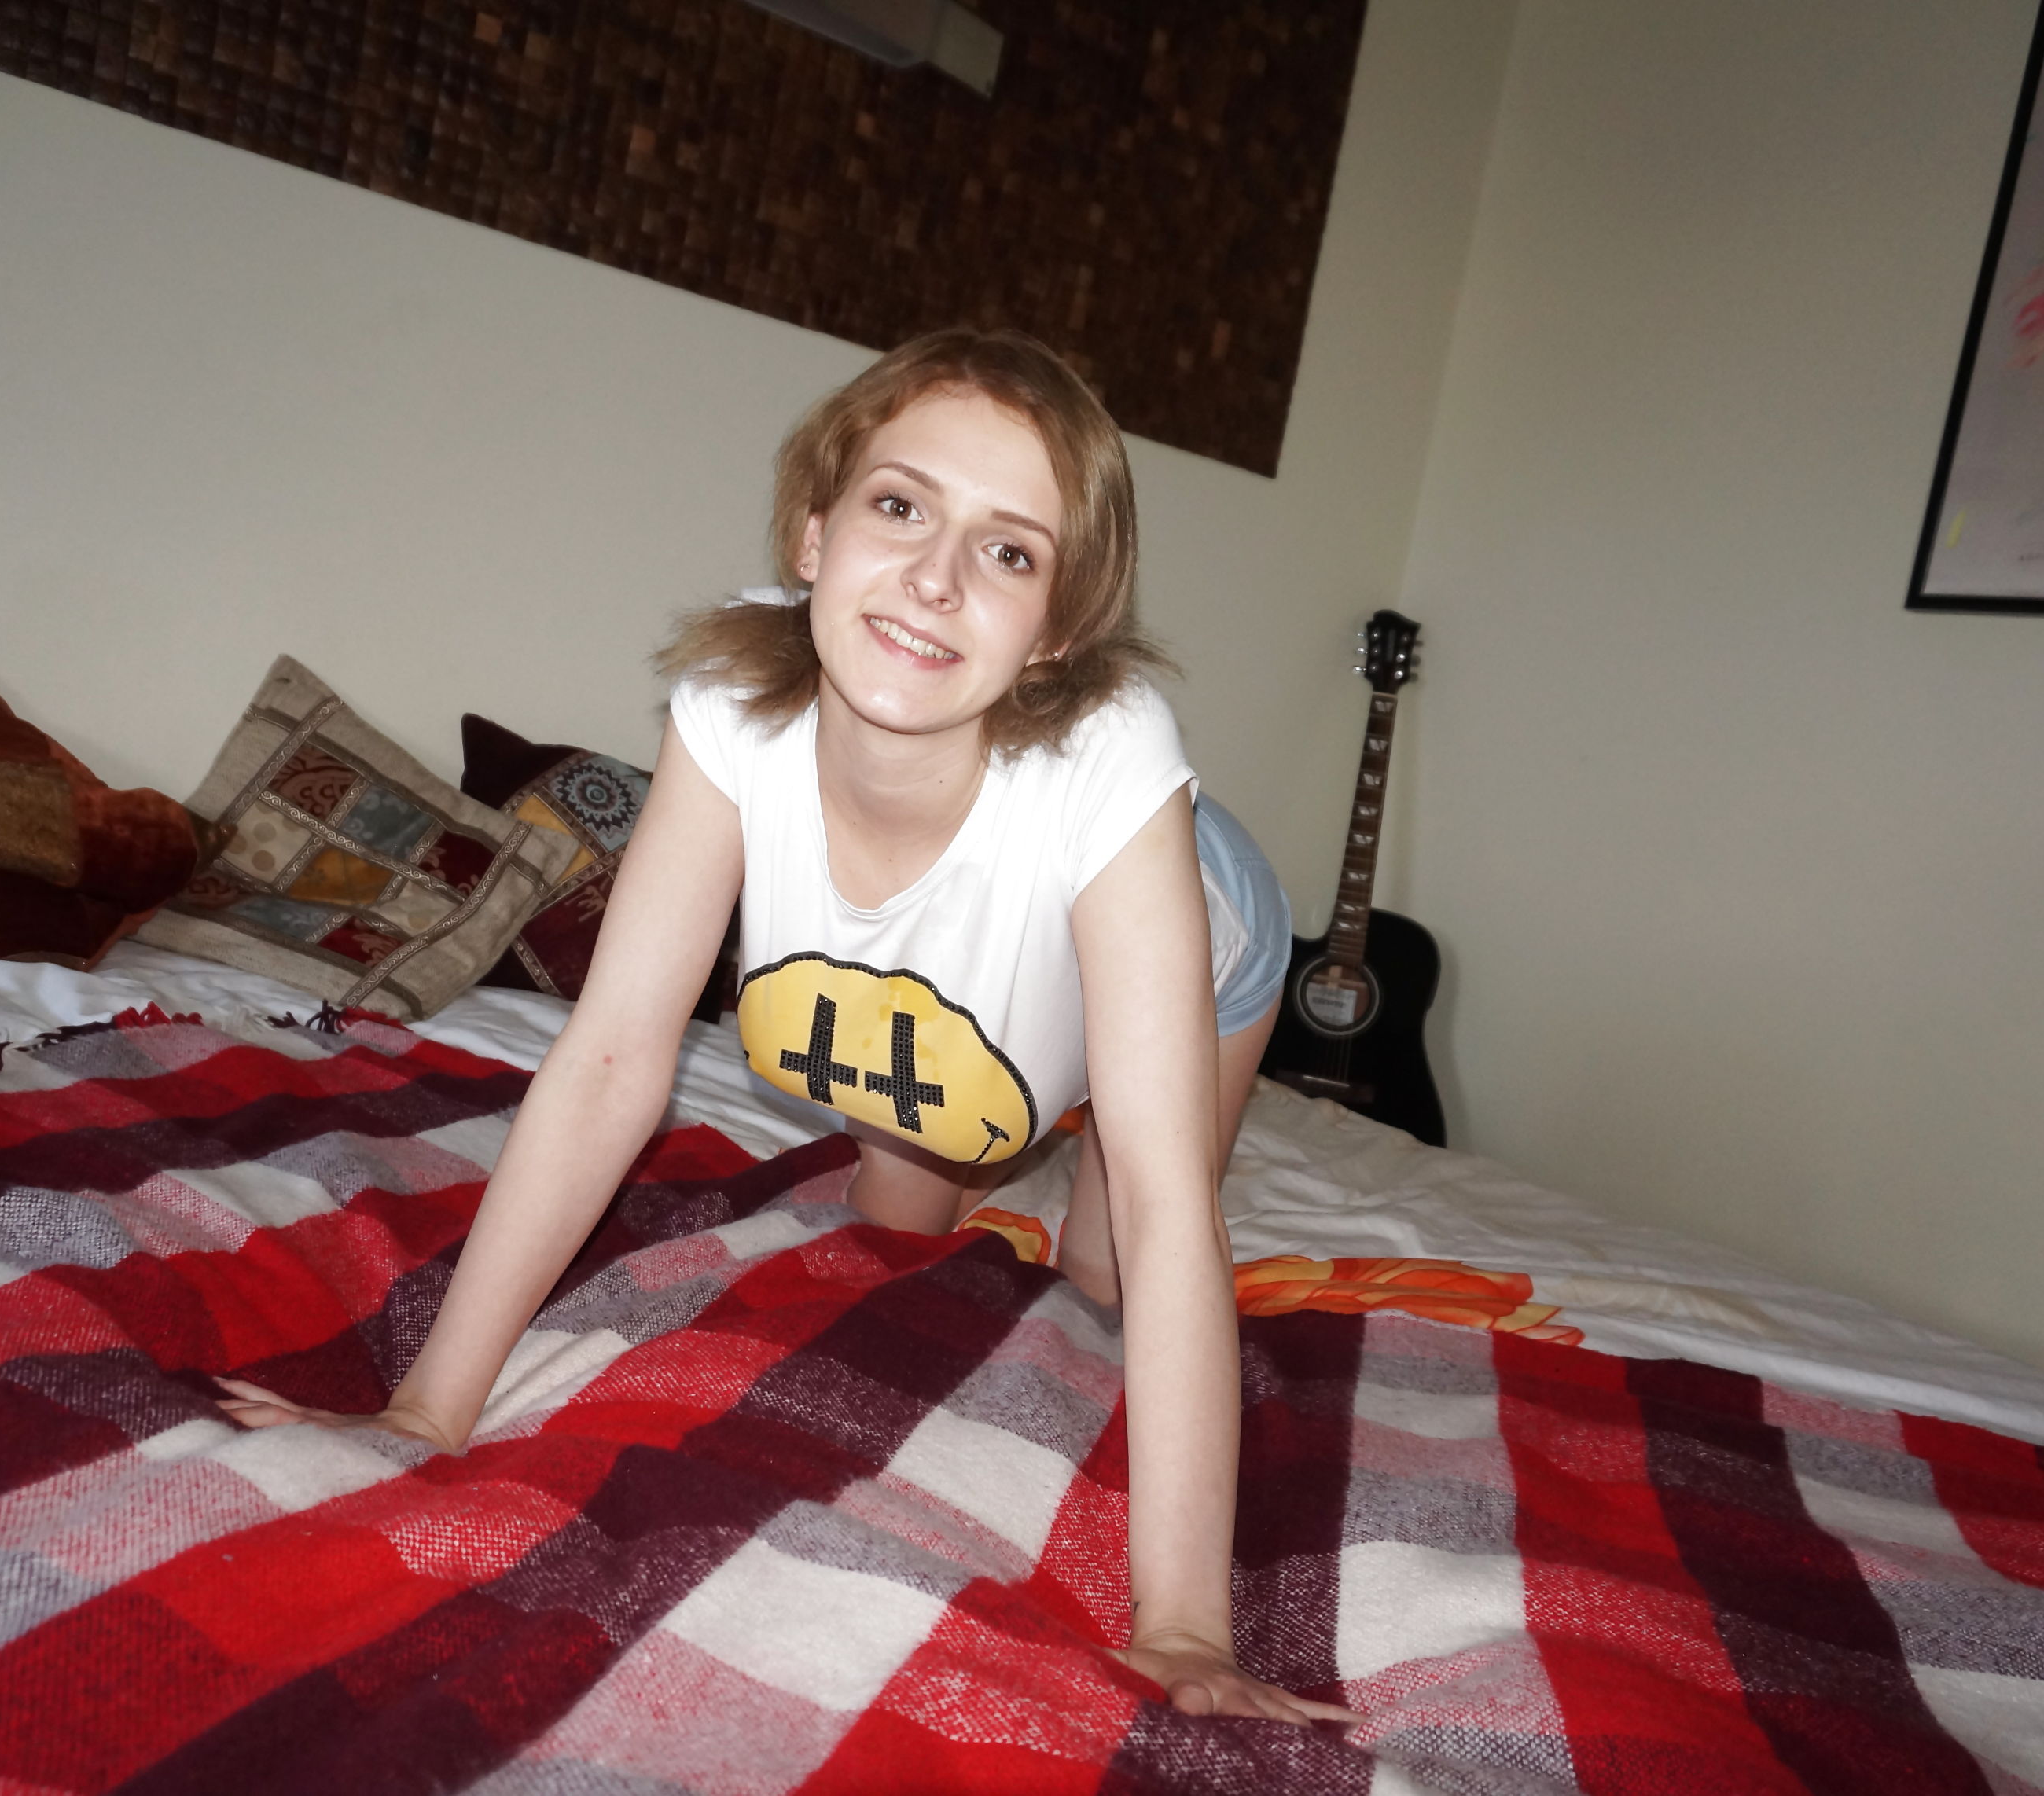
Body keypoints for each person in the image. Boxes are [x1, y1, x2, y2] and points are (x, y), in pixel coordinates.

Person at [218, 329, 1341, 1725]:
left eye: (1008, 551)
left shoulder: (1107, 756)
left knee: (1104, 1271)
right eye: (900, 505)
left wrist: (1182, 1628)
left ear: (1055, 628)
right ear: (813, 532)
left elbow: (1177, 1207)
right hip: (953, 994)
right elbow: (611, 1058)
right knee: (887, 1245)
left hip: (1190, 922)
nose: (934, 575)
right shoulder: (734, 710)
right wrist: (425, 1412)